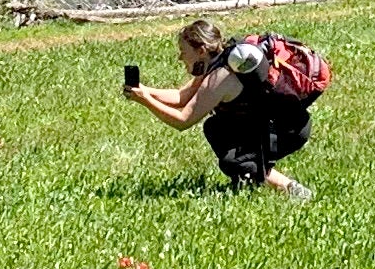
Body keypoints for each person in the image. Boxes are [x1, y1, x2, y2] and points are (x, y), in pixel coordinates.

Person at [127, 17, 319, 201]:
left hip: (286, 129)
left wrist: (145, 101)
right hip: (279, 124)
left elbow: (183, 120)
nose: (180, 57)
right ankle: (260, 183)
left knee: (234, 160)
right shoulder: (219, 61)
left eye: (183, 51)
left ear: (201, 50)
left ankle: (290, 189)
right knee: (216, 128)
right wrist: (145, 91)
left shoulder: (221, 77)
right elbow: (181, 97)